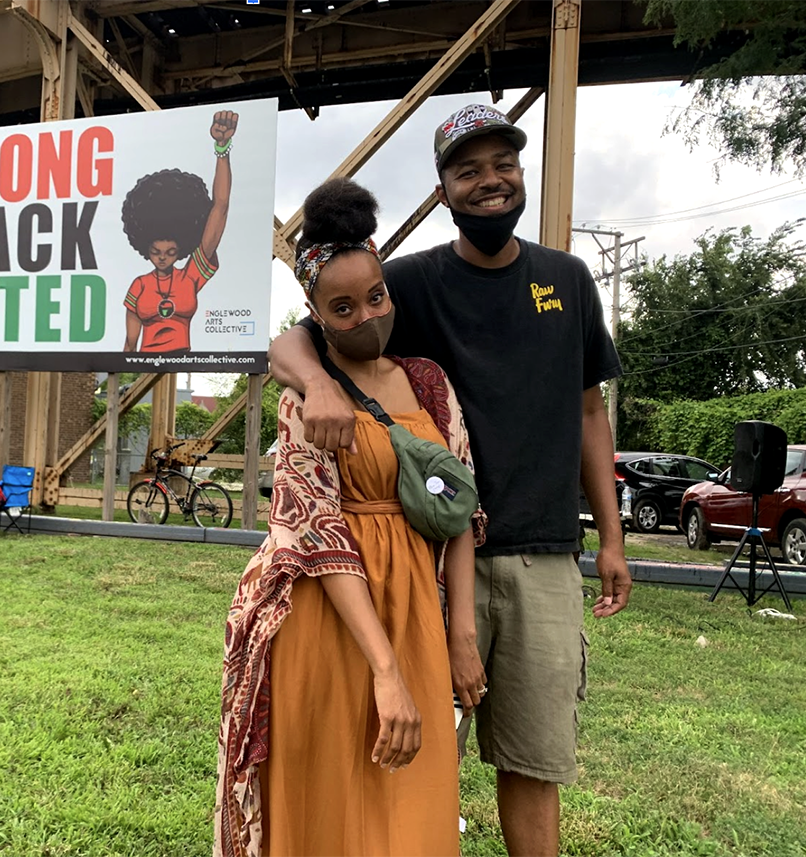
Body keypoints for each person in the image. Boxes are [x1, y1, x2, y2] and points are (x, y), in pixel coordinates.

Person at [268, 104, 633, 857]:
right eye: (469, 170)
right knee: (410, 751)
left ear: (520, 174)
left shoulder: (566, 279)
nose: (490, 181)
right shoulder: (409, 281)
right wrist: (322, 386)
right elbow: (301, 332)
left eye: (503, 164)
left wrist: (613, 538)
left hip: (540, 552)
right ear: (442, 192)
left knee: (533, 760)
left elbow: (591, 411)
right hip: (428, 563)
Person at [216, 178, 486, 857]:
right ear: (314, 311)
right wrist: (384, 668)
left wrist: (460, 632)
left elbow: (458, 507)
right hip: (329, 618)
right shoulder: (310, 399)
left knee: (412, 805)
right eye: (342, 306)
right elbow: (318, 533)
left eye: (375, 296)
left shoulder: (428, 382)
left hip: (415, 615)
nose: (366, 314)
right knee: (329, 803)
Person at [121, 110, 237, 353]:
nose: (162, 256)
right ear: (145, 249)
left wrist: (222, 148)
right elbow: (129, 345)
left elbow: (221, 206)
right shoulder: (139, 286)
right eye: (156, 251)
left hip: (184, 358)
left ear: (180, 250)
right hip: (145, 364)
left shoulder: (190, 277)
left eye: (171, 251)